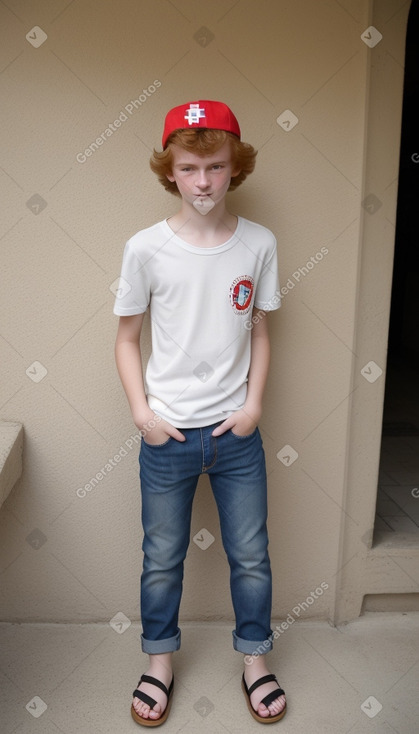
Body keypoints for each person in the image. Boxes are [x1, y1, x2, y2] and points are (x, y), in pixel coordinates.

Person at [113, 100, 286, 726]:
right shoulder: (145, 249)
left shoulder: (259, 243)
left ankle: (254, 659)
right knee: (162, 555)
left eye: (216, 165)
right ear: (171, 172)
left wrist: (252, 406)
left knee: (251, 553)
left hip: (236, 436)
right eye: (190, 167)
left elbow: (260, 333)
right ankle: (159, 663)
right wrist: (143, 414)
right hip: (167, 436)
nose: (204, 181)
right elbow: (127, 339)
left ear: (235, 167)